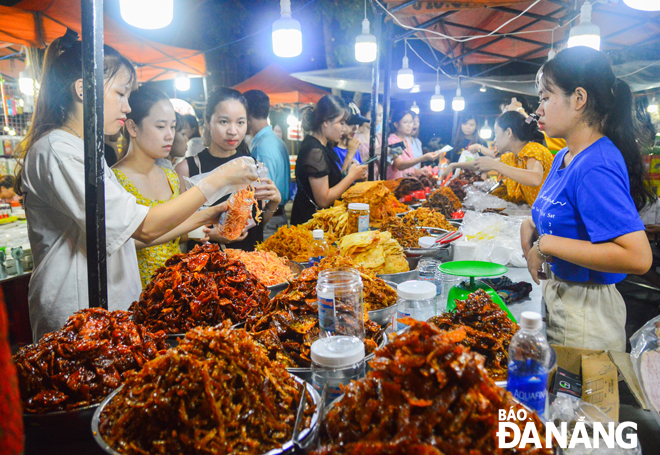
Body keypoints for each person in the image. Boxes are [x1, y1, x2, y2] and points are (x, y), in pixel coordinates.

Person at [15, 35, 257, 341]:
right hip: (76, 320)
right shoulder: (57, 150)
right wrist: (221, 178)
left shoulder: (85, 151)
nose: (127, 106)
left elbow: (131, 233)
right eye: (120, 93)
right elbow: (143, 228)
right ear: (82, 89)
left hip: (111, 312)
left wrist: (210, 215)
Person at [521, 46, 655, 351]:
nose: (537, 109)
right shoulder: (564, 156)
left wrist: (546, 245)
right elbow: (568, 212)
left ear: (579, 99)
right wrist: (531, 224)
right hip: (561, 299)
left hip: (586, 316)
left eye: (545, 97)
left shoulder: (597, 165)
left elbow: (637, 257)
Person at [176, 87, 281, 251]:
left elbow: (257, 224)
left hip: (249, 266)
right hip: (205, 269)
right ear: (208, 121)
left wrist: (273, 203)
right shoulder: (187, 169)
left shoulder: (255, 167)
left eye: (240, 122)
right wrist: (210, 234)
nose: (233, 131)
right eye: (224, 122)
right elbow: (175, 228)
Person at [112, 86, 187, 288]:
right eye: (161, 127)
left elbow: (179, 234)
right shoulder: (114, 180)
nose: (170, 135)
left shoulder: (171, 176)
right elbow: (120, 242)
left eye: (173, 127)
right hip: (136, 289)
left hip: (176, 289)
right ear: (133, 128)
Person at [442, 111, 554, 206]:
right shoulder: (513, 156)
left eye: (496, 133)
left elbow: (535, 179)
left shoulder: (533, 149)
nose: (495, 139)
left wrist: (495, 165)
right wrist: (454, 165)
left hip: (552, 214)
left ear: (509, 133)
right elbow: (481, 164)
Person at [291, 95, 367, 225]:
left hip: (318, 222)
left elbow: (334, 183)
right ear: (325, 122)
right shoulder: (314, 151)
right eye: (341, 123)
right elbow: (323, 200)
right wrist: (351, 177)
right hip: (309, 224)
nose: (344, 129)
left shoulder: (324, 146)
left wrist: (351, 171)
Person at [243, 89, 290, 238]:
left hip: (268, 219)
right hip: (277, 216)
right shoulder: (276, 141)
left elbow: (263, 198)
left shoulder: (262, 147)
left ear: (247, 113)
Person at [387, 108, 441, 180]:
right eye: (405, 122)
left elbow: (408, 169)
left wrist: (419, 171)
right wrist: (424, 157)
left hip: (406, 183)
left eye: (411, 122)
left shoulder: (406, 140)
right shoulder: (392, 140)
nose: (409, 125)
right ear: (396, 124)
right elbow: (400, 165)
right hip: (394, 184)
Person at [333, 102, 365, 172]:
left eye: (357, 124)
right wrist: (349, 155)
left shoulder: (353, 149)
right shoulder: (332, 150)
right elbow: (339, 180)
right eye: (351, 124)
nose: (355, 128)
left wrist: (363, 177)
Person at [357, 101, 382, 175]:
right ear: (363, 115)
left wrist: (391, 157)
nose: (378, 119)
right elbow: (353, 166)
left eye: (380, 115)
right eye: (374, 115)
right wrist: (372, 153)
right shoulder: (355, 137)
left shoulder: (380, 137)